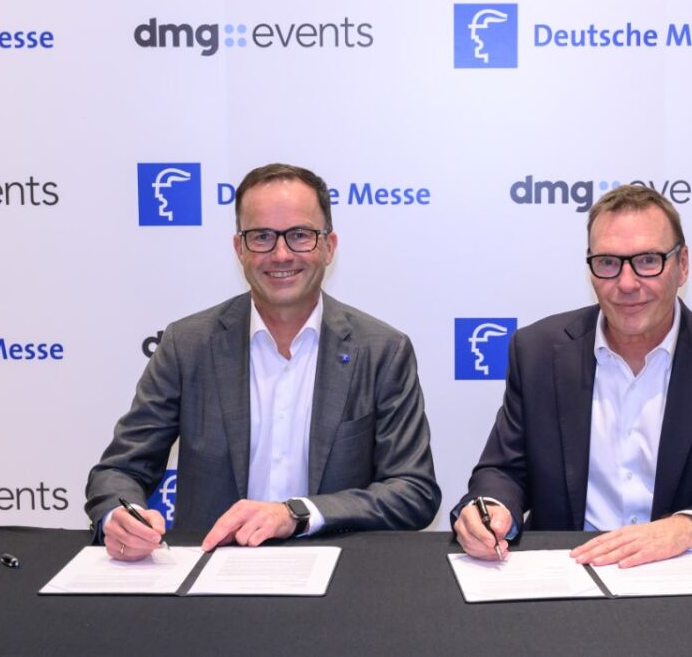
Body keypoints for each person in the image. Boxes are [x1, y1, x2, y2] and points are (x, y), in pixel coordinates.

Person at [452, 184, 692, 568]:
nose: (627, 284)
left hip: (682, 577)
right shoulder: (537, 352)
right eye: (608, 262)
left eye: (648, 260)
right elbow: (504, 470)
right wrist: (491, 508)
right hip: (566, 571)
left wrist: (688, 527)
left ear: (683, 265)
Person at [87, 163, 440, 560]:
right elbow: (119, 471)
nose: (281, 254)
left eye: (300, 235)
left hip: (335, 573)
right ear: (239, 249)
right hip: (210, 571)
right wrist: (120, 515)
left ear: (329, 246)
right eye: (261, 237)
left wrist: (297, 514)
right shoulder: (187, 344)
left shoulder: (382, 351)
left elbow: (413, 491)